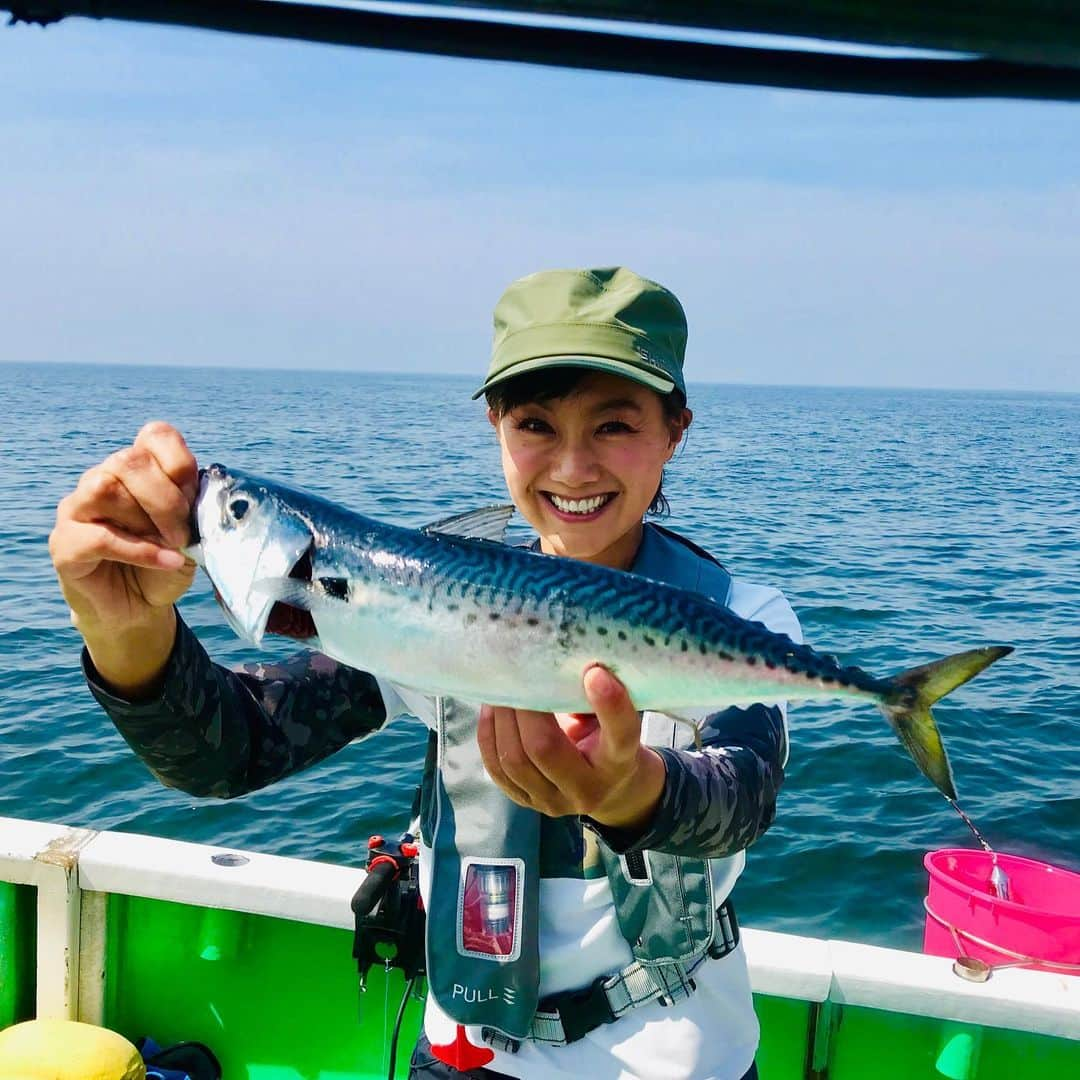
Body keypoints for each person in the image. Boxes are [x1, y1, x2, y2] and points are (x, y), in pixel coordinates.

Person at [50, 267, 800, 1080]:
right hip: (461, 1055)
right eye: (536, 424)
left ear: (676, 429)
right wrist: (126, 634)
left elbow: (742, 794)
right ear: (496, 425)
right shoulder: (430, 606)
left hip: (678, 1057)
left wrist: (635, 798)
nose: (574, 467)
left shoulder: (739, 618)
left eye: (615, 425)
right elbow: (235, 750)